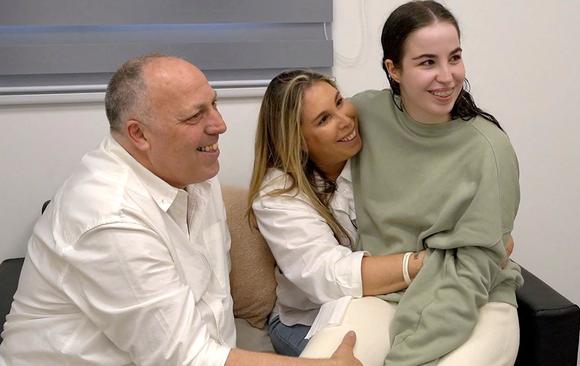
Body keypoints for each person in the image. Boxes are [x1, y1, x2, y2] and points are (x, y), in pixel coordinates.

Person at [0, 54, 360, 366]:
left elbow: (212, 315)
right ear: (139, 134)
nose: (219, 125)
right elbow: (184, 358)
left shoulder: (193, 172)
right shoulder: (108, 217)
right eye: (195, 116)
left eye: (214, 104)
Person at [350, 1, 524, 365]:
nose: (447, 76)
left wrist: (405, 358)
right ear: (393, 69)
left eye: (454, 58)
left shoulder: (489, 149)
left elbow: (470, 273)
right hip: (385, 295)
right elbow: (293, 144)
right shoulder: (363, 115)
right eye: (428, 62)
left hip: (476, 298)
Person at [247, 70, 428, 361]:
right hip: (309, 320)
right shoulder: (277, 196)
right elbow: (328, 276)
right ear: (299, 140)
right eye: (324, 119)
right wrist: (426, 263)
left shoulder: (376, 150)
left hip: (389, 300)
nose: (345, 120)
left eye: (340, 102)